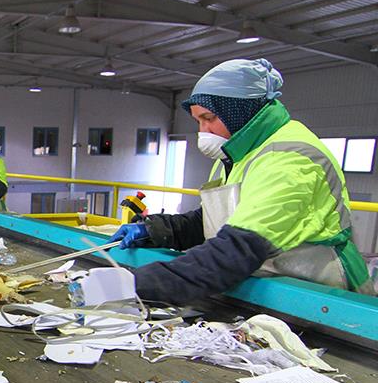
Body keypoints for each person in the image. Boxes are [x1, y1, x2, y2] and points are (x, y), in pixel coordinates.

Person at [108, 58, 371, 304]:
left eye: (209, 119)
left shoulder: (291, 159)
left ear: (240, 111)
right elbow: (216, 220)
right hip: (269, 291)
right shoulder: (239, 154)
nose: (203, 132)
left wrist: (129, 285)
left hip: (323, 301)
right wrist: (158, 230)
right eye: (198, 121)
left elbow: (233, 253)